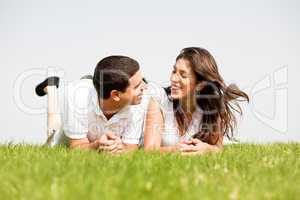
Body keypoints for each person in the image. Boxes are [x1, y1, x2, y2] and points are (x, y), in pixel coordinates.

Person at [143, 47, 249, 155]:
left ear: (200, 84)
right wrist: (174, 150)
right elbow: (149, 150)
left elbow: (218, 148)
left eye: (183, 75)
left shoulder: (211, 106)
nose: (173, 79)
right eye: (174, 71)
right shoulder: (159, 99)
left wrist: (206, 149)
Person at [35, 55, 147, 153]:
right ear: (116, 95)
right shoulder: (76, 95)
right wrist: (97, 145)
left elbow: (131, 147)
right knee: (53, 128)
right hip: (66, 129)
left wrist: (122, 147)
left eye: (143, 81)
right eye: (137, 86)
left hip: (95, 101)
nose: (145, 87)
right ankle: (50, 88)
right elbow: (76, 147)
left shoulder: (137, 102)